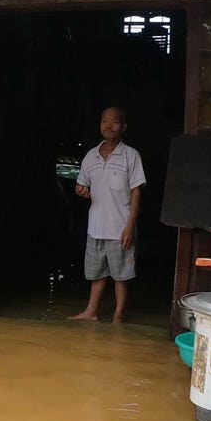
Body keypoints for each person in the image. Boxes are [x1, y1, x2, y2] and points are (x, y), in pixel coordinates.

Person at [69, 107, 146, 324]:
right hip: (96, 226)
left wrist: (130, 225)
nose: (108, 126)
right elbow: (82, 186)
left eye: (114, 122)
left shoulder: (131, 156)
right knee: (97, 274)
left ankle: (117, 316)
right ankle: (90, 311)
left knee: (121, 276)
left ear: (123, 127)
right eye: (104, 121)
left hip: (121, 226)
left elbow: (136, 191)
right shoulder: (90, 156)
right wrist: (80, 191)